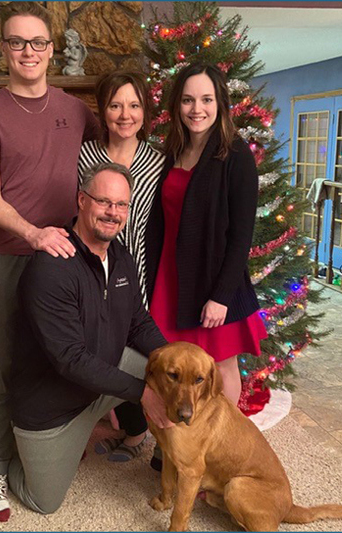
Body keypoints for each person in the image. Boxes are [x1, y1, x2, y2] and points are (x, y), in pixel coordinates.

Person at [0, 2, 98, 523]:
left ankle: (52, 443)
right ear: (3, 48)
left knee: (66, 356)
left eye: (38, 42)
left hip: (69, 259)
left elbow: (108, 156)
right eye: (17, 42)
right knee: (8, 367)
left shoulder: (74, 108)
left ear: (51, 49)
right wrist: (33, 232)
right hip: (14, 256)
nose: (28, 52)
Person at [7, 162, 172, 515]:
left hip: (97, 382)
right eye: (104, 201)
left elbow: (138, 321)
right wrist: (143, 393)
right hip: (52, 407)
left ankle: (149, 441)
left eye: (122, 205)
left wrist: (171, 358)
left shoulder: (121, 257)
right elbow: (71, 359)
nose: (113, 213)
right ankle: (14, 450)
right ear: (82, 200)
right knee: (45, 502)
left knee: (163, 368)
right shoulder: (50, 268)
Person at [145, 63, 268, 409]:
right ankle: (175, 442)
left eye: (206, 99)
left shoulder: (236, 155)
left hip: (211, 280)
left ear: (220, 103)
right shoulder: (172, 152)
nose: (196, 109)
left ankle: (222, 441)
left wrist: (222, 296)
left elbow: (242, 236)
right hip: (170, 276)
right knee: (169, 362)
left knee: (219, 363)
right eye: (187, 100)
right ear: (177, 106)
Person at [77, 71, 165, 462]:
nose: (124, 114)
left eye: (133, 105)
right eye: (115, 105)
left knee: (138, 351)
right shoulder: (85, 156)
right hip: (91, 267)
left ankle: (149, 435)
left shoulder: (158, 160)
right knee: (101, 348)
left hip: (139, 270)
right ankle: (130, 427)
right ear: (103, 111)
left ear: (145, 112)